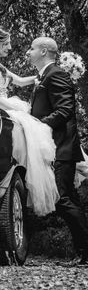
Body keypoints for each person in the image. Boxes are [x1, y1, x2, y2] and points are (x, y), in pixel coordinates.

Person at [0, 27, 59, 216]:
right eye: (5, 44)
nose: (9, 47)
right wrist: (21, 109)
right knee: (32, 128)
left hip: (6, 104)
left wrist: (43, 76)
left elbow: (19, 81)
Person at [27, 36, 88, 265]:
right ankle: (83, 253)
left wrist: (39, 125)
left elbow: (65, 110)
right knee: (68, 199)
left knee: (63, 199)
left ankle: (84, 252)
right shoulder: (44, 76)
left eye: (32, 48)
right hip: (56, 147)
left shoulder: (56, 74)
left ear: (43, 51)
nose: (28, 52)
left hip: (62, 146)